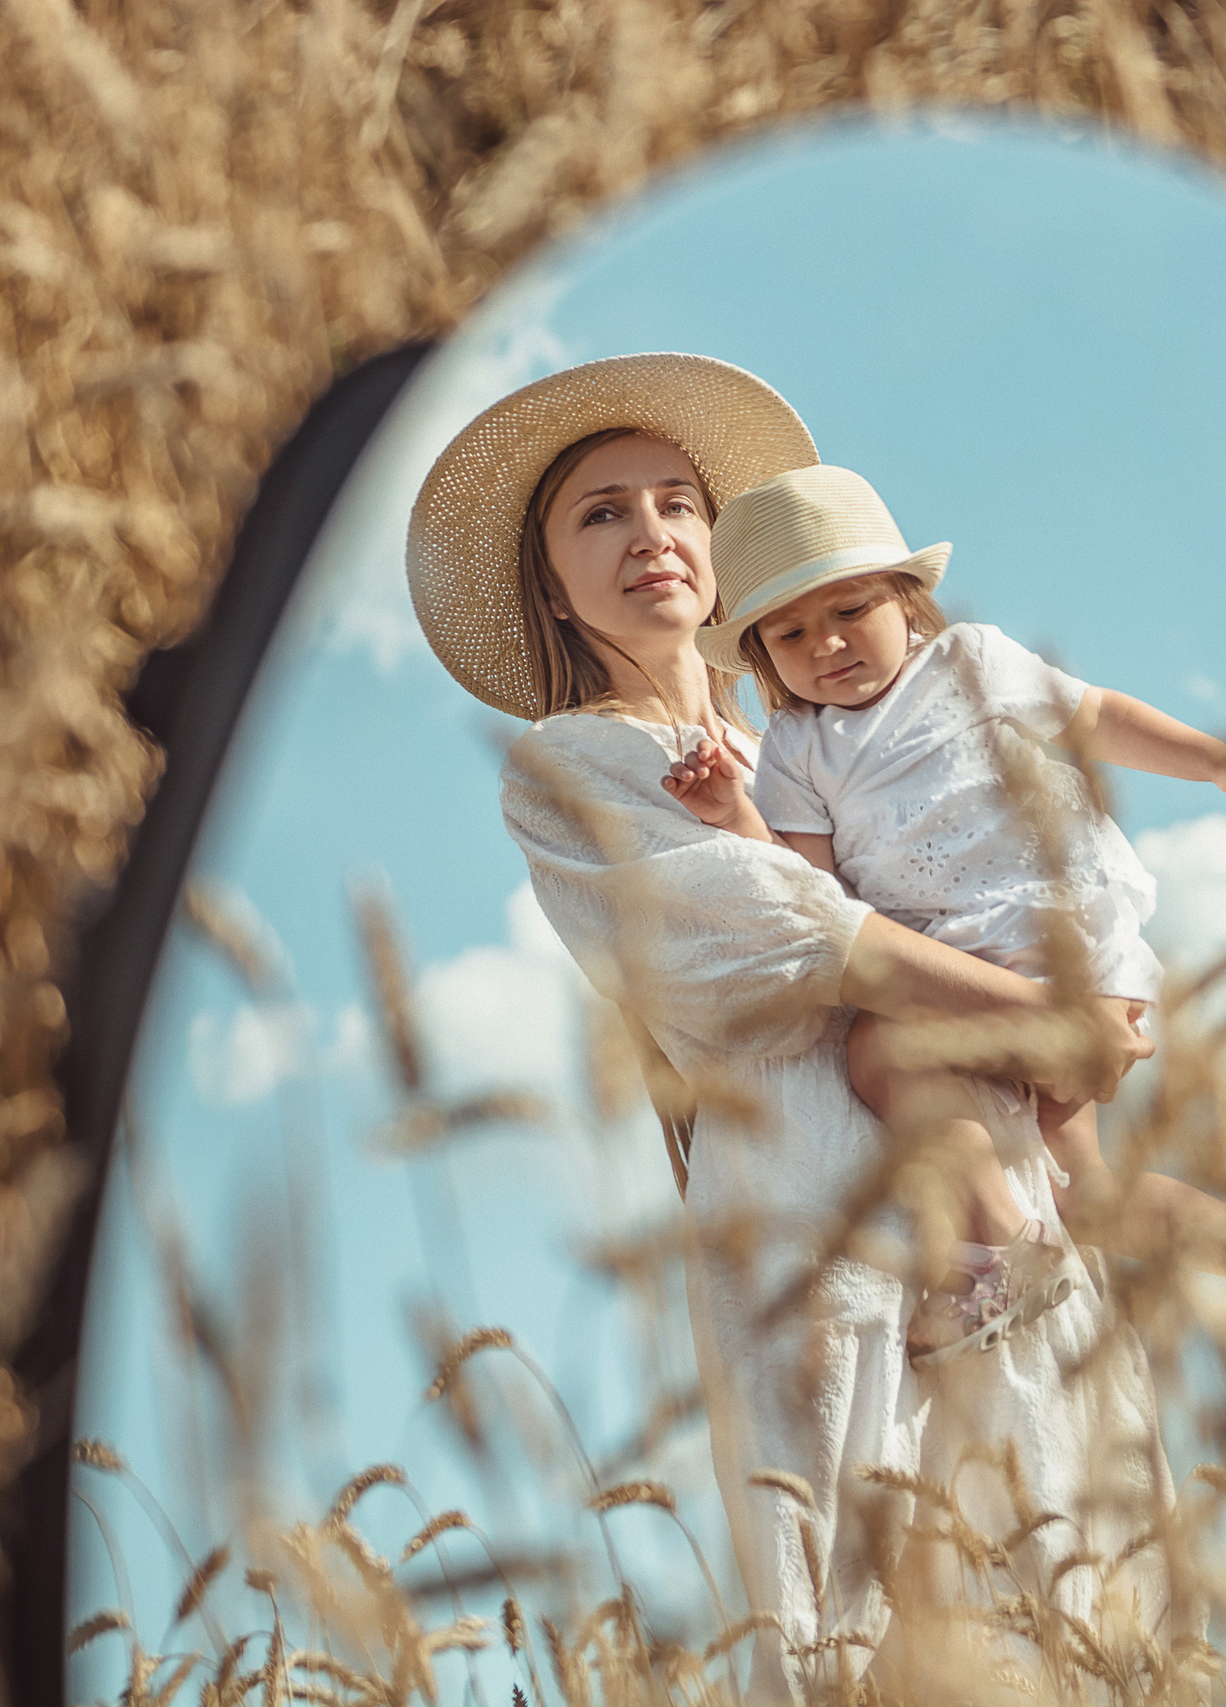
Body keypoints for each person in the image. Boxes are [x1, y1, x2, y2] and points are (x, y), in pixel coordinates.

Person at [406, 354, 1172, 1699]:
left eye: (677, 502)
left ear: (719, 543)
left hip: (999, 1193)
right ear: (551, 579)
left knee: (1067, 1573)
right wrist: (1048, 1018)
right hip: (819, 1214)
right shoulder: (570, 764)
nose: (651, 532)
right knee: (870, 1617)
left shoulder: (813, 746)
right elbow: (781, 931)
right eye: (601, 513)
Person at [657, 463, 1226, 1366]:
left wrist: (1215, 762)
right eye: (790, 632)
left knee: (878, 1052)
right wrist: (735, 815)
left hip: (1064, 959)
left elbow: (1094, 716)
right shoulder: (797, 749)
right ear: (759, 651)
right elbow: (808, 890)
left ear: (905, 599)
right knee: (1083, 1192)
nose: (827, 644)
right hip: (964, 982)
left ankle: (999, 1248)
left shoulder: (970, 663)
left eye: (849, 611)